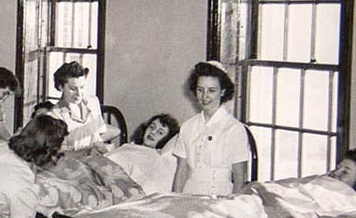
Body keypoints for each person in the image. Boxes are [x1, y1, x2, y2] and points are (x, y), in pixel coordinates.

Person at [171, 60, 252, 196]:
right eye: (200, 90)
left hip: (221, 198)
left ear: (223, 91)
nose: (205, 96)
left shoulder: (234, 129)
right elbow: (182, 170)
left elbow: (239, 178)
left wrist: (232, 207)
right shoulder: (188, 126)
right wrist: (174, 200)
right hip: (188, 195)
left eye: (212, 90)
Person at [48, 61, 119, 150]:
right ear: (60, 87)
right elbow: (61, 153)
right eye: (73, 89)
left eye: (81, 87)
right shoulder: (54, 115)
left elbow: (100, 133)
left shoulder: (93, 102)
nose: (79, 94)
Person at [106, 113, 181, 195]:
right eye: (152, 127)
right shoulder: (130, 146)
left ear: (166, 139)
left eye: (160, 132)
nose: (153, 132)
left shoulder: (154, 158)